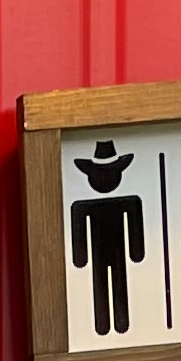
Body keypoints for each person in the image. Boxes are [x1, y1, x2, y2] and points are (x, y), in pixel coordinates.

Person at [69, 138, 148, 336]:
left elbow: (134, 224)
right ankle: (105, 325)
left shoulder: (126, 203)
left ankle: (119, 324)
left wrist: (136, 251)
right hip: (102, 254)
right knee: (102, 285)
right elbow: (79, 229)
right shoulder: (85, 207)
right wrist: (80, 257)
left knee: (116, 283)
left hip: (112, 253)